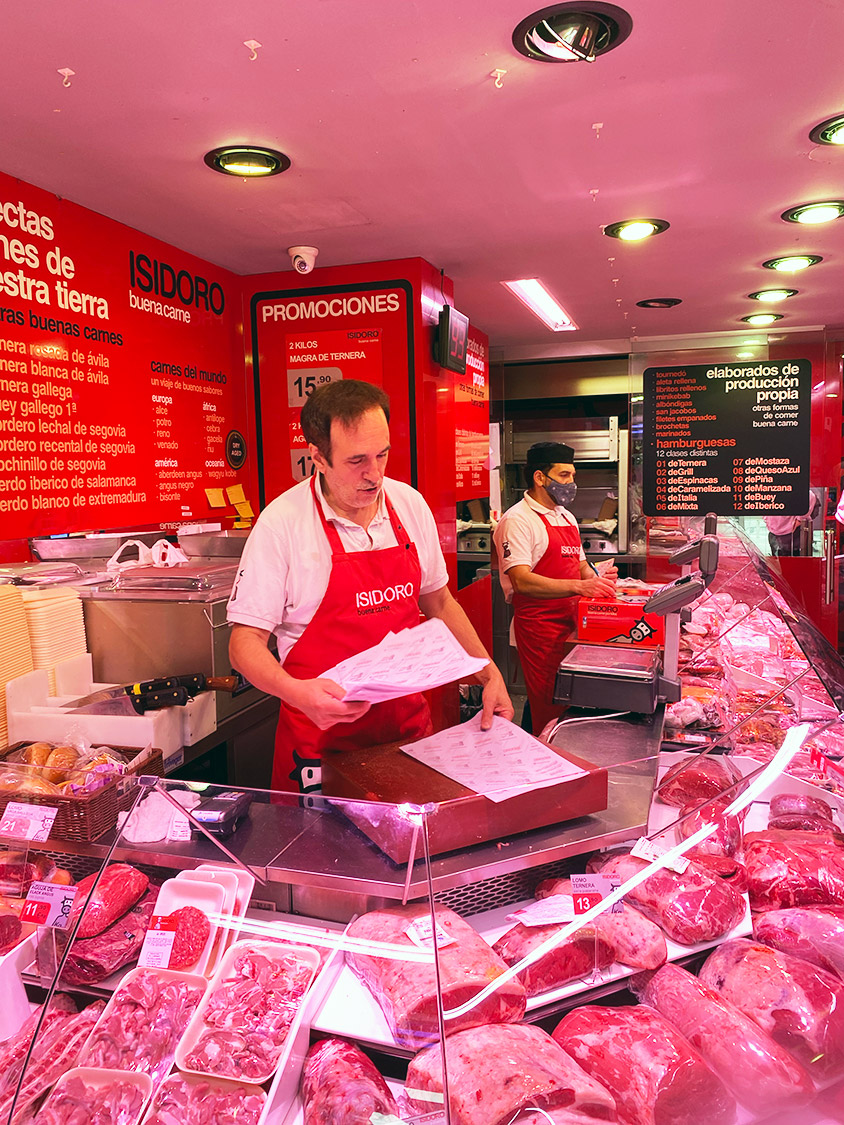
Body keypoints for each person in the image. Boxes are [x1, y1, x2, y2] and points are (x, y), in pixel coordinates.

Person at [227, 379, 513, 792]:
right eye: (357, 460)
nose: (374, 473)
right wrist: (297, 693)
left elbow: (438, 601)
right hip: (321, 741)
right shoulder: (283, 523)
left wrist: (488, 673)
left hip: (406, 731)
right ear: (318, 458)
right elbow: (244, 643)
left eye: (382, 455)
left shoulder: (409, 504)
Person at [493, 441, 617, 737]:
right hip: (540, 629)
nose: (571, 483)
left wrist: (599, 577)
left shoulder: (566, 517)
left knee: (571, 701)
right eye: (563, 476)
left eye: (573, 476)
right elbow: (522, 580)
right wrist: (580, 584)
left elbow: (581, 565)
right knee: (549, 702)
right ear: (540, 477)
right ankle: (545, 763)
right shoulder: (518, 520)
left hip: (573, 625)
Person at [765, 489, 820, 556]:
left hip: (792, 535)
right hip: (775, 532)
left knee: (793, 563)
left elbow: (810, 496)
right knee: (778, 563)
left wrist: (800, 519)